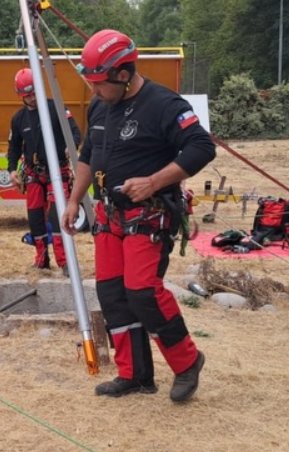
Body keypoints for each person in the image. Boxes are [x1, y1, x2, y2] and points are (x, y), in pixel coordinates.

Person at [62, 29, 215, 402]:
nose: (95, 90)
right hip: (109, 215)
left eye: (100, 83)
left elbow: (202, 147)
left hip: (148, 216)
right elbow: (88, 155)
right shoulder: (100, 105)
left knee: (143, 291)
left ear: (123, 74)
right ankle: (134, 374)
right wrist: (74, 200)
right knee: (112, 293)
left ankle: (187, 362)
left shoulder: (164, 104)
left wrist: (153, 181)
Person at [7, 67, 81, 275]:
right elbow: (14, 147)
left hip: (57, 170)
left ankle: (65, 262)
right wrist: (12, 169)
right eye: (27, 96)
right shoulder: (19, 119)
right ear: (20, 95)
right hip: (33, 174)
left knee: (58, 217)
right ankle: (41, 259)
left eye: (34, 93)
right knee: (35, 218)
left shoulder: (56, 108)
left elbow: (74, 132)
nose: (32, 98)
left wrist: (71, 146)